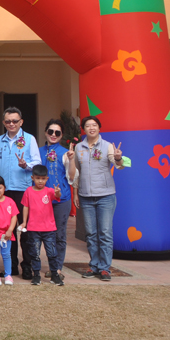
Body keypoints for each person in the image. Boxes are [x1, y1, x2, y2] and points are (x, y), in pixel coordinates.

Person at [69, 115, 125, 282]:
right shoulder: (79, 147)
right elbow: (76, 173)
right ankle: (94, 265)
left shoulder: (108, 146)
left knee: (105, 233)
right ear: (84, 129)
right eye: (88, 125)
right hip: (85, 197)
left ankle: (105, 268)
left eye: (94, 125)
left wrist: (117, 157)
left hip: (106, 196)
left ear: (99, 128)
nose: (91, 128)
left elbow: (119, 166)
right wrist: (75, 193)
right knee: (91, 233)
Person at [0, 107, 40, 280]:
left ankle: (27, 266)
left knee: (25, 229)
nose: (11, 124)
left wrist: (25, 165)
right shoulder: (0, 140)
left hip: (24, 190)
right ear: (4, 122)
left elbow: (37, 163)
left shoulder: (29, 139)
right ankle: (10, 266)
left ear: (21, 122)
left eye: (15, 121)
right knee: (8, 230)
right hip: (5, 193)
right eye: (7, 121)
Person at [39, 118, 77, 280]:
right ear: (46, 132)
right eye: (51, 131)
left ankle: (57, 268)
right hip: (41, 199)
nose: (53, 135)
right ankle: (42, 264)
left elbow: (72, 177)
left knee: (59, 235)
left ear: (61, 136)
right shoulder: (38, 151)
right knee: (42, 234)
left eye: (57, 133)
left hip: (61, 200)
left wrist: (72, 159)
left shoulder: (66, 153)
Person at [19, 165, 63, 286]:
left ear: (47, 179)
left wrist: (58, 193)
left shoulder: (49, 191)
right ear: (32, 178)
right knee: (34, 253)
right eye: (37, 178)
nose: (40, 181)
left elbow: (57, 196)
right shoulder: (28, 191)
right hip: (33, 229)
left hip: (49, 229)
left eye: (43, 178)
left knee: (52, 253)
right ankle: (36, 275)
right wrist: (24, 222)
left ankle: (55, 275)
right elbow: (25, 207)